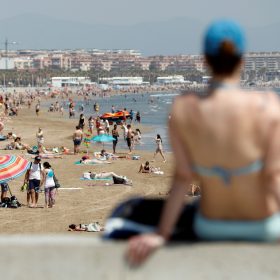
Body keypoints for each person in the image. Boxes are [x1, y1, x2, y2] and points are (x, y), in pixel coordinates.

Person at [127, 19, 280, 266]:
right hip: (263, 226)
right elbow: (273, 177)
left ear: (206, 61)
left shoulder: (184, 108)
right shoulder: (269, 106)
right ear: (242, 60)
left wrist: (161, 235)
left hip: (212, 227)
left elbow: (182, 178)